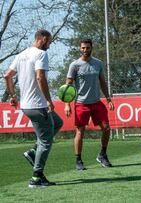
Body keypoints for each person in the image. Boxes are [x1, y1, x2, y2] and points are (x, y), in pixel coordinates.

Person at [4, 29, 64, 188]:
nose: (49, 45)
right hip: (38, 105)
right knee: (46, 142)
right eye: (49, 42)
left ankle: (33, 153)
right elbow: (40, 77)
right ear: (43, 39)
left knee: (57, 123)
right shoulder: (41, 54)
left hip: (26, 106)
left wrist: (13, 96)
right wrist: (49, 100)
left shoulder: (22, 54)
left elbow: (7, 75)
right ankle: (36, 178)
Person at [65, 39, 115, 170]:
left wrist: (108, 99)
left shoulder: (98, 63)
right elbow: (68, 86)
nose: (85, 50)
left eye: (87, 48)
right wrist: (67, 104)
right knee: (80, 132)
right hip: (81, 104)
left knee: (107, 128)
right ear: (80, 49)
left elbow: (102, 82)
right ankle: (78, 160)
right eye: (83, 48)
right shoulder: (74, 65)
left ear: (91, 48)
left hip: (97, 102)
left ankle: (102, 155)